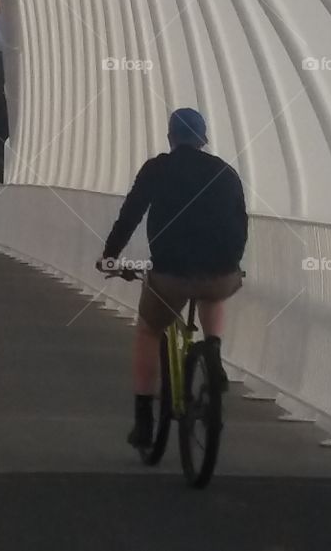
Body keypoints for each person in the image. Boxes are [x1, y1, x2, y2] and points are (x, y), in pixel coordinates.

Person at [96, 107, 248, 450]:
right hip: (221, 271)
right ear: (203, 140)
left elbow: (131, 214)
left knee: (149, 330)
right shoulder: (225, 172)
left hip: (170, 275)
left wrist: (110, 256)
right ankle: (213, 350)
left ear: (171, 138)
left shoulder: (157, 169)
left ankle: (144, 421)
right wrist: (233, 263)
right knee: (213, 293)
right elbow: (241, 223)